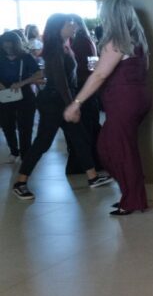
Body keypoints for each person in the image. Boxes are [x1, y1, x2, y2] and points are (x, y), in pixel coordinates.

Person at [62, 0, 152, 215]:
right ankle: (132, 196)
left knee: (117, 150)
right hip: (136, 98)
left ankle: (132, 199)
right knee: (117, 148)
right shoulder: (137, 39)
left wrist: (76, 103)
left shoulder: (117, 41)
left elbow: (100, 75)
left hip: (124, 100)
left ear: (110, 15)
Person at [12, 15, 112, 200]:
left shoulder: (64, 46)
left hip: (60, 99)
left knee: (79, 138)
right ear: (59, 28)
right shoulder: (55, 49)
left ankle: (92, 177)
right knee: (43, 142)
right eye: (69, 24)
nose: (74, 26)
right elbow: (60, 81)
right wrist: (72, 105)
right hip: (54, 102)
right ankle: (20, 182)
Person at [65, 15, 101, 174]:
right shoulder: (85, 40)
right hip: (87, 87)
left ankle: (86, 163)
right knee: (89, 125)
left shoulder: (80, 42)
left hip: (83, 87)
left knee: (85, 127)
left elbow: (85, 67)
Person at [0, 31, 41, 163]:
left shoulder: (25, 57)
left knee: (25, 126)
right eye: (5, 46)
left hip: (25, 94)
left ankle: (25, 153)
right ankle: (14, 151)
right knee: (7, 125)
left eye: (10, 46)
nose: (8, 49)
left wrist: (22, 82)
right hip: (4, 94)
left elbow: (39, 73)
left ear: (16, 45)